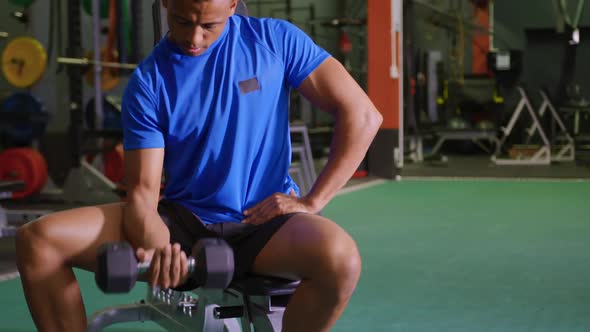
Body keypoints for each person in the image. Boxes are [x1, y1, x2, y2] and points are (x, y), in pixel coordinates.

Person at [15, 0, 383, 331]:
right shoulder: (149, 81)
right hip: (183, 224)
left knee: (340, 260)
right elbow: (143, 194)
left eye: (209, 26)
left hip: (264, 224)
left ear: (233, 5)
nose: (194, 38)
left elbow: (363, 115)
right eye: (181, 21)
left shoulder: (275, 41)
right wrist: (161, 248)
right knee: (39, 241)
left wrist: (312, 201)